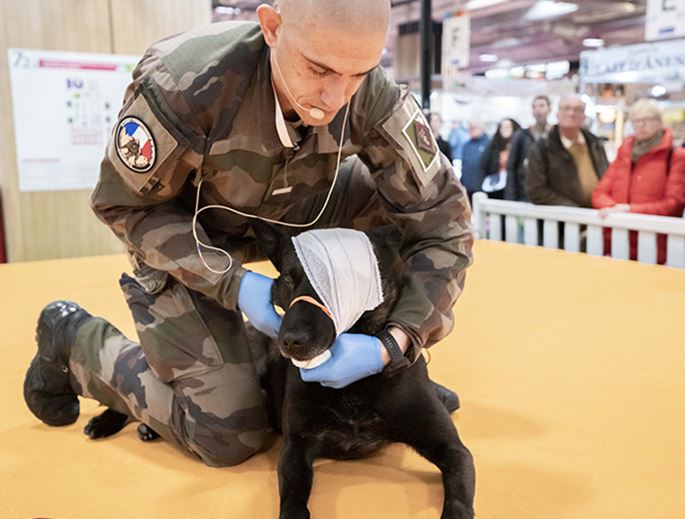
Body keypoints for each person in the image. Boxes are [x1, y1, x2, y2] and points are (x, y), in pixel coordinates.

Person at [23, 0, 473, 468]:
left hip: (301, 212)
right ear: (272, 27)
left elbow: (446, 223)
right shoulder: (184, 84)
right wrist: (232, 284)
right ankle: (74, 341)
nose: (336, 97)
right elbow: (122, 204)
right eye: (319, 69)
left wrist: (396, 342)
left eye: (358, 73)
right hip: (193, 234)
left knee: (395, 212)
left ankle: (394, 376)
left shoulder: (369, 94)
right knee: (227, 436)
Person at [592, 99, 685, 264]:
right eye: (636, 120)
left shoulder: (675, 156)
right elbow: (600, 192)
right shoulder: (625, 152)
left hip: (656, 244)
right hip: (618, 240)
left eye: (647, 120)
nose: (641, 125)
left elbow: (674, 203)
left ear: (659, 121)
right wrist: (614, 209)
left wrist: (630, 209)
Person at [526, 94, 609, 207]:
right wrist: (573, 209)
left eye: (578, 109)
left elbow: (607, 177)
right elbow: (536, 191)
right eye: (566, 108)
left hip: (597, 216)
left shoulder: (595, 144)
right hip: (563, 220)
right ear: (557, 114)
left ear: (583, 116)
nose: (571, 113)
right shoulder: (542, 148)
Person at [505, 95, 551, 202]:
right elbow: (511, 166)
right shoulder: (521, 135)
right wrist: (510, 197)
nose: (538, 110)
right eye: (534, 107)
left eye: (541, 106)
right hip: (524, 193)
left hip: (547, 194)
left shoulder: (554, 135)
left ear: (549, 108)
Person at [478, 117, 521, 200]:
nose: (504, 130)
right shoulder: (493, 147)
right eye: (502, 127)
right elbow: (482, 166)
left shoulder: (520, 146)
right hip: (495, 189)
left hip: (515, 189)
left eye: (508, 127)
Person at [459, 120, 490, 203]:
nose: (471, 130)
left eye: (473, 128)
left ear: (482, 128)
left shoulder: (489, 145)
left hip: (483, 189)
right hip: (467, 188)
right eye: (470, 128)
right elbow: (464, 166)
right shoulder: (466, 146)